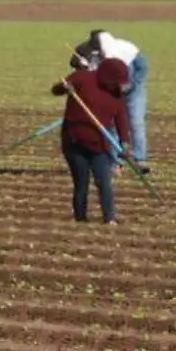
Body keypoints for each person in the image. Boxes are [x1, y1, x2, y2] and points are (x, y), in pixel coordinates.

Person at [53, 57, 133, 225]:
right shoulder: (81, 78)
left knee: (104, 182)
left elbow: (122, 120)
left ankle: (109, 218)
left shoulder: (117, 96)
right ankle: (80, 218)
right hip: (74, 142)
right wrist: (65, 88)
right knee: (81, 182)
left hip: (100, 144)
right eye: (117, 81)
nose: (119, 85)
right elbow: (56, 90)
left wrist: (125, 144)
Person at [84, 31, 150, 170]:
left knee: (136, 123)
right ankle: (115, 162)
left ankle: (140, 159)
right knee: (112, 126)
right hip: (112, 95)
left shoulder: (127, 49)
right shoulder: (95, 57)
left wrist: (132, 84)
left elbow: (142, 68)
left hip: (134, 93)